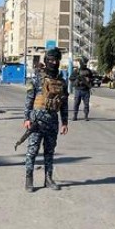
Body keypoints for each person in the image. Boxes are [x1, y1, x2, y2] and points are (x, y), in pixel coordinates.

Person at [23, 47, 69, 192]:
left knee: (49, 152)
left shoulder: (62, 82)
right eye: (50, 60)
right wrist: (26, 118)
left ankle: (48, 179)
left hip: (52, 121)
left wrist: (65, 122)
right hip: (36, 120)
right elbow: (29, 100)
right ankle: (29, 180)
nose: (53, 63)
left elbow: (64, 104)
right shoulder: (36, 78)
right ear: (46, 60)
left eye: (56, 60)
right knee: (32, 151)